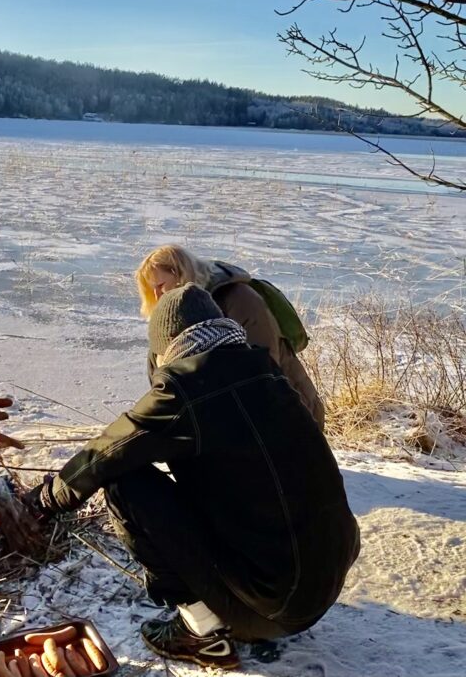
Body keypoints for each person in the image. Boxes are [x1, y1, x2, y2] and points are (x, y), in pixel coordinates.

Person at [27, 284, 359, 671]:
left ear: (166, 347)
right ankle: (237, 607)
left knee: (126, 484)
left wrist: (43, 501)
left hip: (274, 606)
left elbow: (105, 454)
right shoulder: (264, 371)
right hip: (324, 580)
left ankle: (201, 633)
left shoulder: (185, 389)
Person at [135, 244, 325, 428]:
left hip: (288, 413)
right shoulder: (173, 316)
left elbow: (263, 366)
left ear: (180, 274)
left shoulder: (239, 298)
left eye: (161, 285)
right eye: (151, 291)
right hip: (243, 418)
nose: (157, 296)